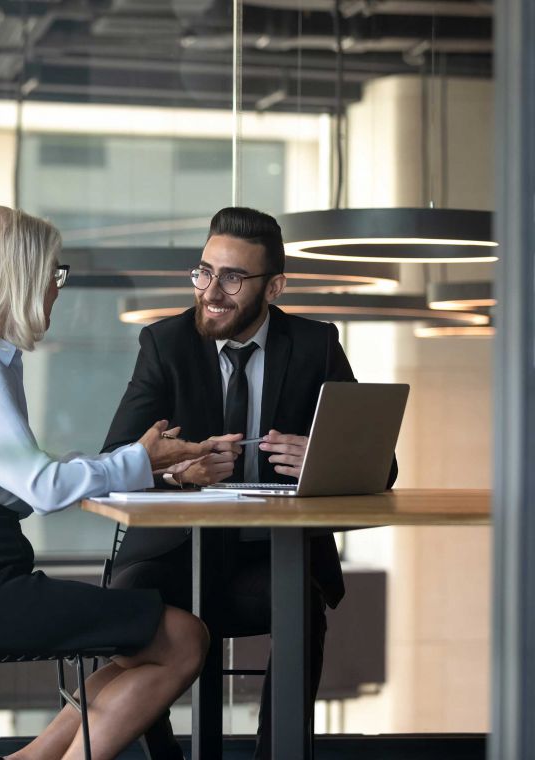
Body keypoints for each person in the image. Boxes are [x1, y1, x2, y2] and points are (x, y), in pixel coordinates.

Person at [0, 205, 214, 760]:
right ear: (17, 275)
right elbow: (41, 487)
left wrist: (147, 465)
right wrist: (136, 459)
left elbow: (20, 481)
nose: (57, 288)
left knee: (151, 643)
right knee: (184, 638)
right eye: (53, 272)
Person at [102, 206, 398, 760]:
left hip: (270, 557)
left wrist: (322, 455)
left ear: (274, 286)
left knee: (301, 605)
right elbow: (114, 457)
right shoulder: (165, 344)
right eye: (205, 272)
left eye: (233, 277)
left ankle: (276, 755)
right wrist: (174, 471)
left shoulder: (315, 345)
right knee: (127, 607)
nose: (212, 291)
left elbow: (382, 467)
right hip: (173, 553)